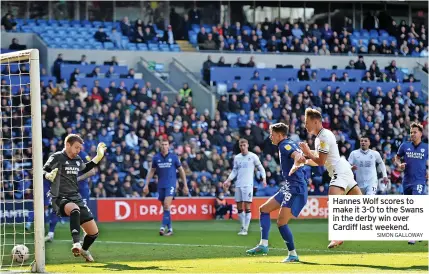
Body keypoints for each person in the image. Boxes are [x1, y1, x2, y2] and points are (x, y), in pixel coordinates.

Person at [297, 108, 362, 249]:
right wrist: (305, 160)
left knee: (333, 202)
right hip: (342, 169)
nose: (305, 125)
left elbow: (320, 161)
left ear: (316, 122)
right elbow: (319, 160)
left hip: (339, 171)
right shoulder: (320, 137)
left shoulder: (323, 137)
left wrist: (307, 152)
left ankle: (337, 236)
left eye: (307, 122)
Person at [246, 123, 308, 263]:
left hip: (295, 188)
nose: (270, 137)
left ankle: (293, 254)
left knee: (281, 222)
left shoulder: (284, 145)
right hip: (289, 186)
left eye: (272, 134)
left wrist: (298, 160)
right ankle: (263, 245)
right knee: (264, 209)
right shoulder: (289, 142)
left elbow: (296, 155)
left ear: (280, 135)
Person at [43, 134, 106, 261]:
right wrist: (48, 175)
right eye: (76, 147)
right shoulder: (57, 157)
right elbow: (42, 170)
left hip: (75, 196)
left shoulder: (77, 159)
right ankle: (76, 243)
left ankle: (84, 249)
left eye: (80, 148)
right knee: (74, 209)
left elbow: (86, 168)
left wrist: (98, 157)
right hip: (59, 197)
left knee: (93, 233)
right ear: (67, 145)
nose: (78, 150)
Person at [45, 149, 94, 242]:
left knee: (82, 212)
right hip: (67, 187)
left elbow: (92, 171)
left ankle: (84, 235)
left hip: (81, 189)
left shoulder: (83, 155)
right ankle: (50, 234)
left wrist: (78, 178)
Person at [144, 139, 189, 236]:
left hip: (171, 184)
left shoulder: (174, 157)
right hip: (161, 185)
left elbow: (181, 171)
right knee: (166, 208)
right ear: (160, 146)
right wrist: (146, 184)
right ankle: (170, 229)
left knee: (166, 205)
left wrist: (185, 185)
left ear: (168, 146)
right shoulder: (156, 158)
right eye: (162, 144)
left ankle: (162, 227)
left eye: (166, 144)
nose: (164, 146)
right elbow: (151, 171)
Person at [394, 122, 428, 245]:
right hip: (406, 181)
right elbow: (396, 158)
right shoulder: (404, 146)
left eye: (415, 132)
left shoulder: (426, 147)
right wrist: (399, 165)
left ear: (420, 133)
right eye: (411, 132)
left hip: (419, 181)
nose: (412, 134)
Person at [223, 139, 266, 235]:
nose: (242, 147)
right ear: (239, 146)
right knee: (239, 207)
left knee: (247, 207)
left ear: (247, 145)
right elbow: (234, 171)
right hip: (238, 184)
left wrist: (264, 178)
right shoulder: (237, 158)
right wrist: (228, 180)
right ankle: (242, 227)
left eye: (244, 145)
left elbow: (261, 168)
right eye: (241, 145)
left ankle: (245, 229)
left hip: (248, 185)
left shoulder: (253, 156)